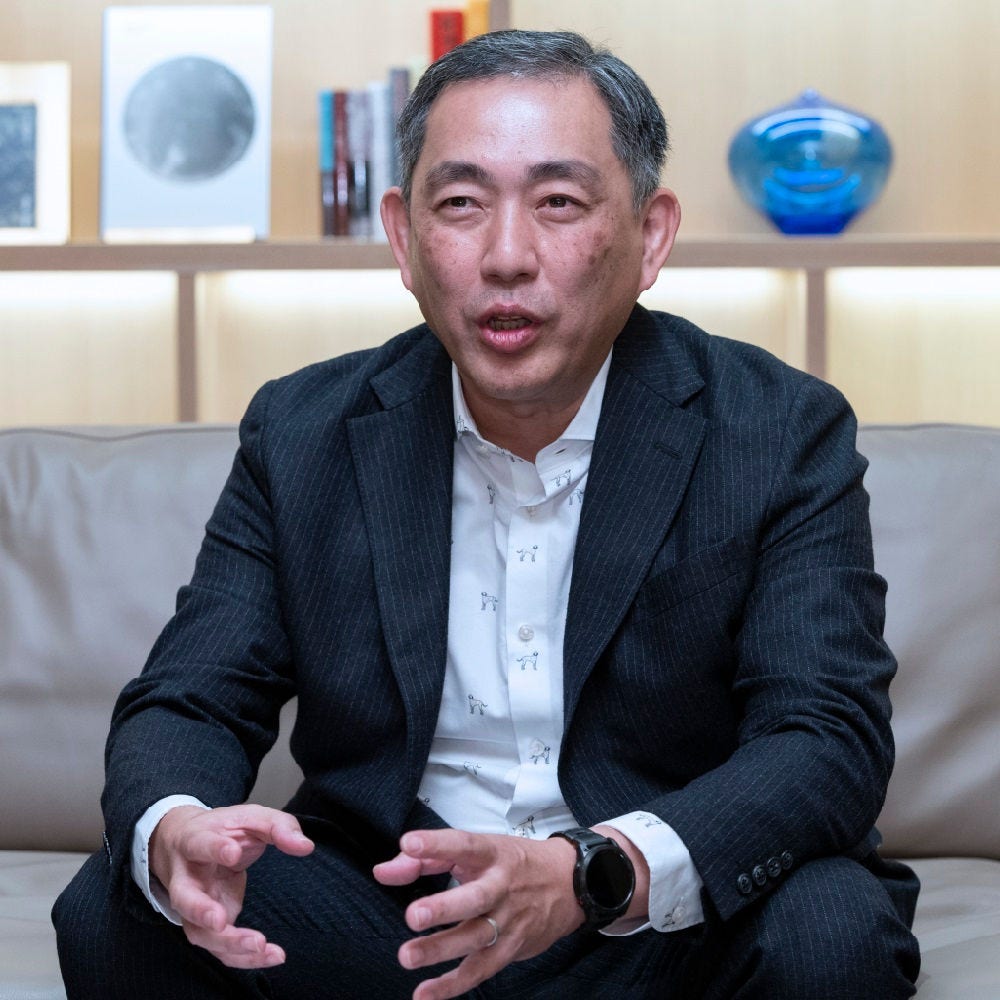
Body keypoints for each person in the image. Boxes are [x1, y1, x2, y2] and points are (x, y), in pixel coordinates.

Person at [53, 29, 921, 999]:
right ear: (403, 236)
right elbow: (193, 697)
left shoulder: (779, 430)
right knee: (117, 909)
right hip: (393, 907)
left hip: (652, 903)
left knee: (831, 932)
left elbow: (825, 734)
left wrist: (595, 871)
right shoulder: (302, 431)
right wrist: (177, 825)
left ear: (651, 235)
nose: (507, 257)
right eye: (461, 203)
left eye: (559, 203)